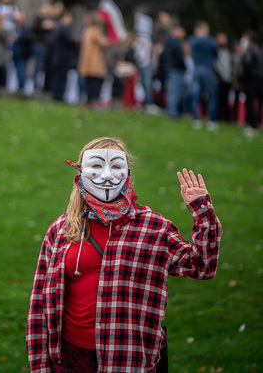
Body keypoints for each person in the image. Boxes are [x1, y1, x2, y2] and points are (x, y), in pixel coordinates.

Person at [26, 136, 223, 373]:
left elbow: (202, 266)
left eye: (116, 166)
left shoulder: (154, 228)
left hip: (129, 359)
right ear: (80, 172)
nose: (107, 175)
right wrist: (40, 364)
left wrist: (202, 213)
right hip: (70, 359)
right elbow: (39, 304)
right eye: (97, 165)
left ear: (128, 173)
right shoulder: (61, 229)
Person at [189, 21, 218, 130]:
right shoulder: (210, 41)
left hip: (196, 69)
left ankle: (196, 119)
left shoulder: (193, 40)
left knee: (196, 95)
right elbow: (216, 53)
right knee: (212, 95)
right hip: (207, 69)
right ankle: (211, 121)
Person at [78, 13, 109, 107]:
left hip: (86, 61)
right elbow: (104, 43)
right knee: (96, 83)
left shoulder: (86, 31)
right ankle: (93, 100)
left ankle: (88, 100)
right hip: (95, 62)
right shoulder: (96, 31)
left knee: (88, 83)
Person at [163, 26, 186, 118]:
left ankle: (173, 111)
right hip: (176, 69)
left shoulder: (168, 42)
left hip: (170, 68)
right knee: (175, 91)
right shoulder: (175, 42)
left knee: (172, 90)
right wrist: (184, 67)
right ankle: (173, 113)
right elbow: (179, 57)